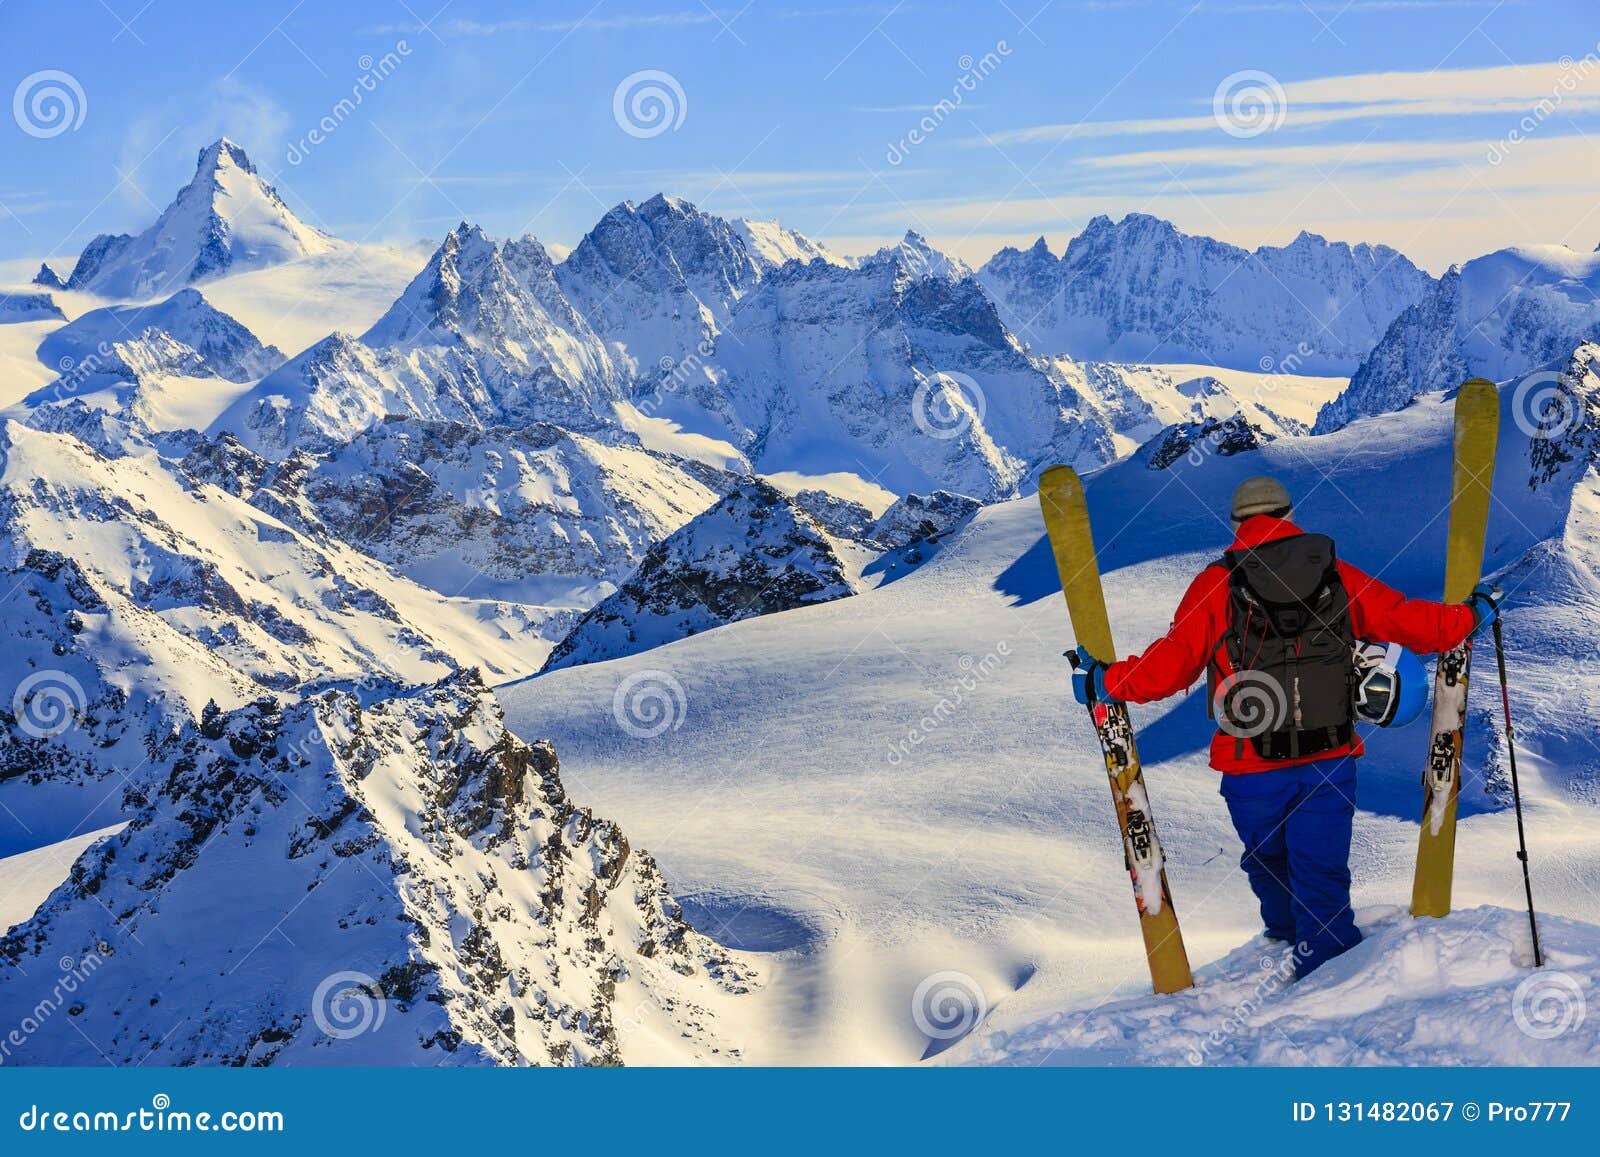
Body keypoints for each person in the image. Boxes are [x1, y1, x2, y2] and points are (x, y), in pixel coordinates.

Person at [1071, 475, 1499, 977]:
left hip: (1251, 765)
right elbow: (1410, 621)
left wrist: (1105, 681)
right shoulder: (1335, 573)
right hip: (1330, 758)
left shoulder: (1217, 582)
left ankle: (1285, 942)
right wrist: (1471, 616)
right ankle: (1328, 974)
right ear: (1289, 516)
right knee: (1320, 872)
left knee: (1266, 862)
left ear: (1237, 526)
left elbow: (1170, 668)